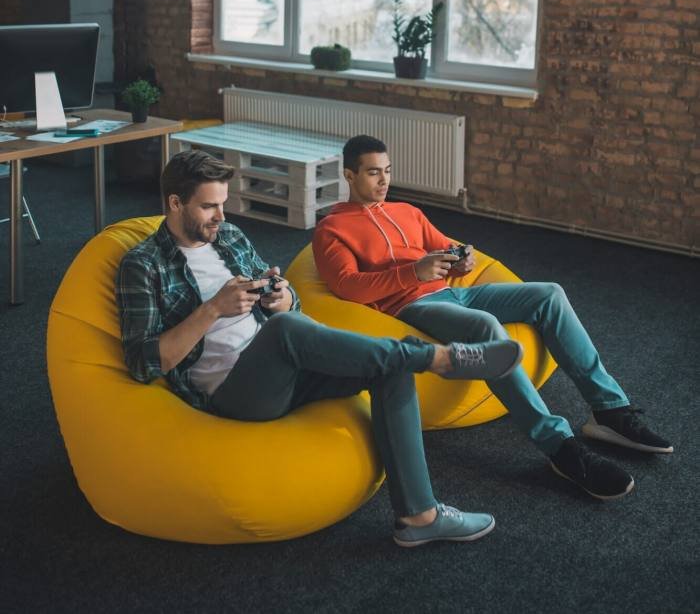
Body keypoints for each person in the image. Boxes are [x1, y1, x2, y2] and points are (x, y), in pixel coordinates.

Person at [116, 149, 523, 549]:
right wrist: (212, 311)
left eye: (223, 205)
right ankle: (434, 357)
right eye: (209, 208)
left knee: (375, 363)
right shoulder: (143, 265)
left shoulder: (230, 237)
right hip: (234, 393)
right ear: (174, 203)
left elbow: (290, 301)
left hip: (286, 367)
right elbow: (142, 363)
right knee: (287, 331)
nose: (221, 218)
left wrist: (283, 296)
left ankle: (420, 517)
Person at [312, 135, 674, 502]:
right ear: (349, 175)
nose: (384, 181)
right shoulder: (331, 229)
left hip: (456, 291)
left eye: (387, 171)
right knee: (485, 326)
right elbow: (348, 287)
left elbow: (445, 249)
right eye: (373, 173)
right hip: (412, 306)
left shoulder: (408, 211)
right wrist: (414, 274)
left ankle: (610, 410)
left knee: (549, 294)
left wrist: (460, 260)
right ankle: (559, 447)